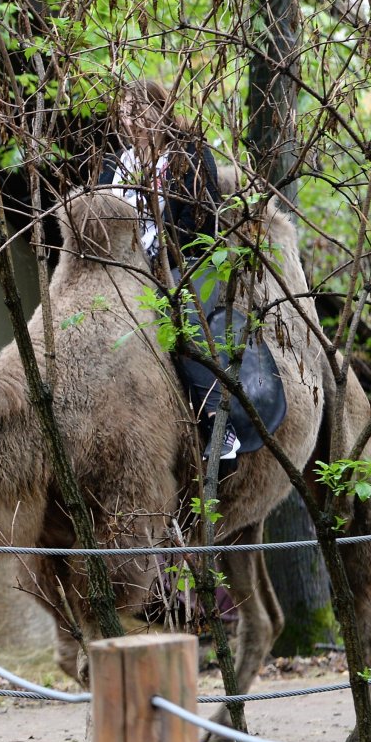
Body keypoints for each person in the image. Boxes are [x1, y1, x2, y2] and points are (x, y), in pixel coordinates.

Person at [95, 80, 275, 476]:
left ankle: (219, 425)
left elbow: (199, 222)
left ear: (159, 109)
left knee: (182, 318)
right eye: (124, 112)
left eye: (137, 111)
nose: (129, 121)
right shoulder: (118, 163)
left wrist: (159, 259)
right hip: (124, 267)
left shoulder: (189, 154)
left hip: (183, 264)